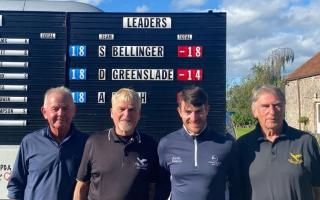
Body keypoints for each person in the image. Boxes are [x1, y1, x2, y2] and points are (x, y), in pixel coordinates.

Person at [156, 85, 241, 200]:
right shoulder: (166, 144)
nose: (194, 117)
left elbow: (236, 187)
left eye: (198, 111)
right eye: (188, 111)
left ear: (207, 109)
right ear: (179, 112)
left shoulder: (226, 145)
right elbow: (161, 187)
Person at [73, 88, 159, 200]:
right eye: (121, 109)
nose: (126, 114)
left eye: (132, 109)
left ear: (139, 114)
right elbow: (81, 187)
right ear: (112, 113)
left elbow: (152, 189)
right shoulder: (94, 142)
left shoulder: (150, 145)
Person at [238, 84, 320, 200]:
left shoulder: (305, 142)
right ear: (255, 111)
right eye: (265, 106)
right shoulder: (242, 145)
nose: (272, 111)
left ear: (284, 108)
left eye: (277, 105)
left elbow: (318, 188)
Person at [7, 86, 88, 200]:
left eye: (65, 108)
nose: (61, 113)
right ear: (44, 112)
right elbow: (16, 185)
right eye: (55, 109)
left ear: (74, 111)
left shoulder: (87, 143)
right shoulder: (30, 142)